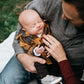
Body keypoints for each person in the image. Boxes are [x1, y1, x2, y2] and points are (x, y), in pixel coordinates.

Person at [0, 0, 84, 84]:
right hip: (31, 56)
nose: (63, 17)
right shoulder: (53, 3)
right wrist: (21, 55)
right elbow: (25, 21)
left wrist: (62, 59)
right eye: (63, 9)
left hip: (68, 70)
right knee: (7, 80)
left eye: (70, 19)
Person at [16, 9, 62, 84]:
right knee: (39, 66)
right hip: (39, 58)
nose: (38, 25)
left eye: (39, 21)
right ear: (25, 30)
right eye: (33, 26)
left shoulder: (46, 28)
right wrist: (35, 51)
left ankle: (57, 78)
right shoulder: (26, 38)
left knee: (56, 66)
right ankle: (45, 78)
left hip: (50, 54)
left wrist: (50, 49)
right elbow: (27, 49)